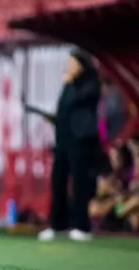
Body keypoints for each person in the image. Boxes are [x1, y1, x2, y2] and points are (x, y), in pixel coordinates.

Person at [38, 48, 102, 241]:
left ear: (82, 65)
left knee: (80, 183)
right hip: (63, 139)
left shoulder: (91, 83)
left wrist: (70, 82)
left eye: (73, 63)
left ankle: (81, 226)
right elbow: (63, 108)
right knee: (58, 181)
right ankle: (58, 225)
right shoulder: (68, 84)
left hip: (81, 140)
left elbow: (78, 102)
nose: (69, 67)